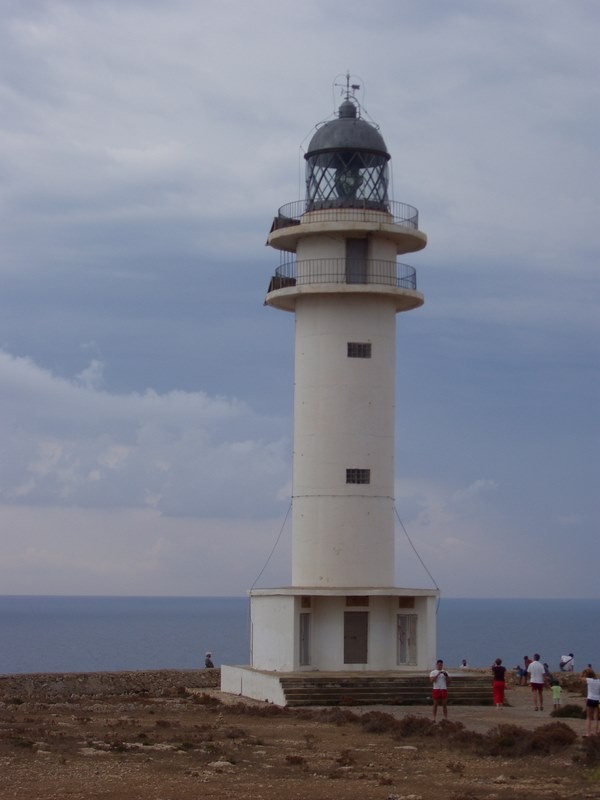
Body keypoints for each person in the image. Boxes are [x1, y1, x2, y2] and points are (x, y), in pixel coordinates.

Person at [585, 669, 600, 736]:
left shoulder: (589, 680)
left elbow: (581, 678)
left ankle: (588, 733)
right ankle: (595, 732)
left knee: (588, 717)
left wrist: (584, 672)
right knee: (596, 718)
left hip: (590, 699)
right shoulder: (599, 681)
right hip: (598, 700)